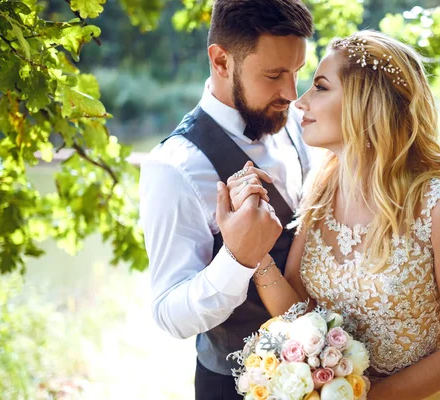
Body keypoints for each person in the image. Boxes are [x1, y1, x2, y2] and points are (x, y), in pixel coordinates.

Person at [224, 30, 440, 399]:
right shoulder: (319, 192)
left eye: (320, 86)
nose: (299, 101)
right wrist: (257, 255)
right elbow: (299, 315)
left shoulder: (439, 207)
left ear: (365, 102)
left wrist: (363, 397)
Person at [138, 1, 314, 399]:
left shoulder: (302, 121)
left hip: (335, 374)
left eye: (297, 72)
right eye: (273, 75)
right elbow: (170, 315)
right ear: (220, 61)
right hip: (235, 386)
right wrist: (237, 259)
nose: (291, 93)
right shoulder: (175, 168)